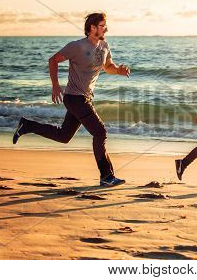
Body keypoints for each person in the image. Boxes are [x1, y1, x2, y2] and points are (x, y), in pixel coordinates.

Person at [12, 12, 130, 187]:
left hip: (86, 98)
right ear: (92, 28)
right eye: (103, 25)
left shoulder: (104, 46)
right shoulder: (77, 46)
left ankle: (27, 125)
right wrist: (55, 85)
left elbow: (107, 66)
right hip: (74, 98)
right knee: (100, 132)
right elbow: (53, 61)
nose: (106, 28)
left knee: (64, 136)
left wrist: (118, 70)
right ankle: (106, 176)